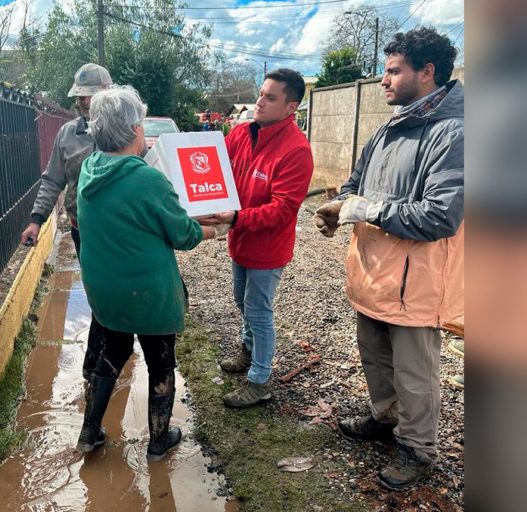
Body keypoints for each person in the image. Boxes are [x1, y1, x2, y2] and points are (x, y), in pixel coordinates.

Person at [313, 27, 463, 491]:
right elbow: (354, 183)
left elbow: (440, 216)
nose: (383, 80)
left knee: (415, 374)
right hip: (373, 276)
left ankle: (418, 449)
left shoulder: (454, 133)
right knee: (375, 358)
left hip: (416, 283)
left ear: (428, 72)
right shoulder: (387, 128)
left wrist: (361, 208)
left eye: (394, 71)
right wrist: (339, 207)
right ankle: (385, 418)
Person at [74, 85, 230, 460]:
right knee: (160, 362)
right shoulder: (148, 179)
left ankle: (89, 432)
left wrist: (182, 216)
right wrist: (217, 229)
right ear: (133, 131)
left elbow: (135, 218)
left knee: (112, 353)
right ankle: (159, 441)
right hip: (148, 294)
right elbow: (182, 235)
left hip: (106, 292)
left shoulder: (89, 171)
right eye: (141, 123)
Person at [201, 69, 314, 408]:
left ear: (291, 106)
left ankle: (260, 380)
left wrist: (236, 218)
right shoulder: (239, 134)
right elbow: (216, 172)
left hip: (267, 247)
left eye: (270, 97)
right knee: (242, 301)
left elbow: (282, 210)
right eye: (261, 94)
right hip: (240, 239)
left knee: (258, 310)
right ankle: (248, 350)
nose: (259, 102)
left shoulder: (296, 150)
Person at [19, 63, 114, 381]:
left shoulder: (126, 132)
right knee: (97, 291)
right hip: (82, 229)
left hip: (120, 229)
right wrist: (36, 220)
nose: (86, 103)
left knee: (114, 291)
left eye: (92, 97)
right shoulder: (67, 135)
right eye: (82, 98)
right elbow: (51, 181)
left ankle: (100, 357)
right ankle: (99, 359)